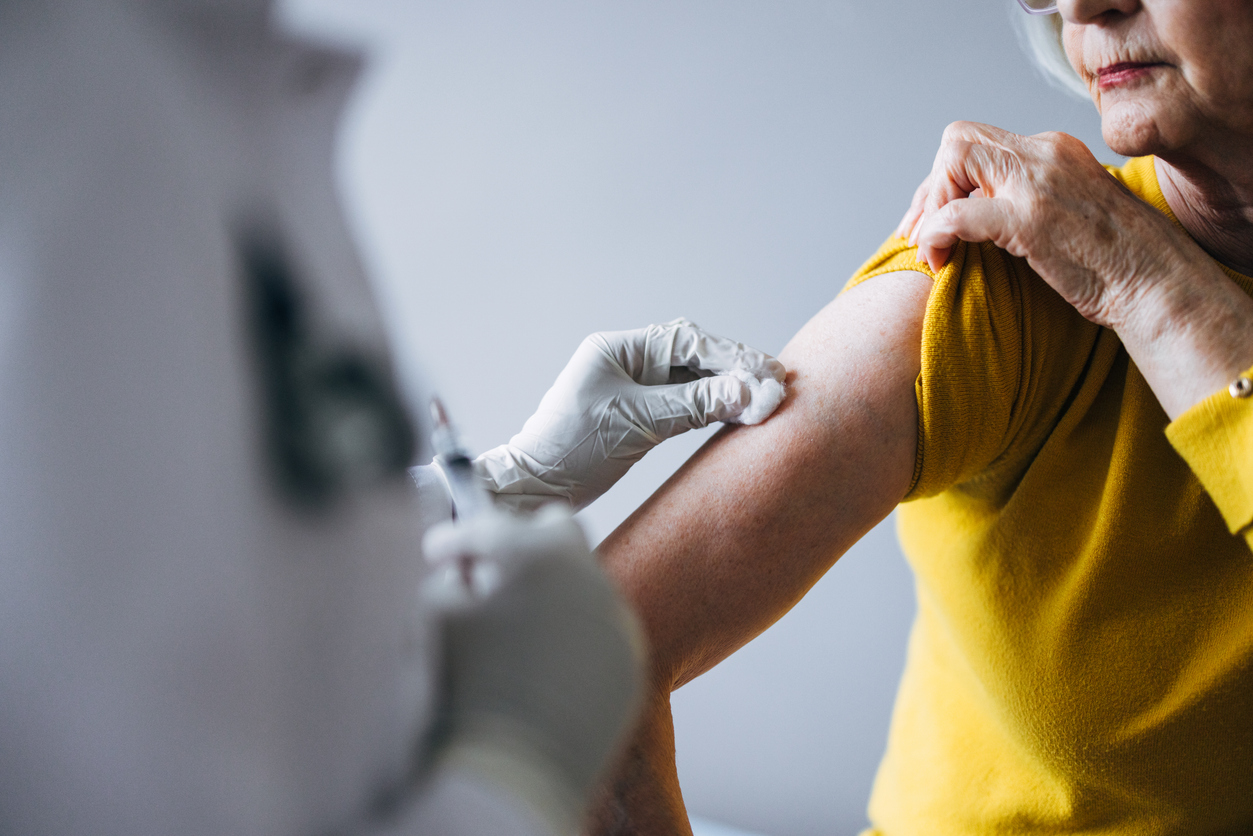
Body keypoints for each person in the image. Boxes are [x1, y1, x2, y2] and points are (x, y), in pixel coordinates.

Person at [0, 2, 785, 835]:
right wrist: (512, 769)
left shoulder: (183, 80)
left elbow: (190, 529)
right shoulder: (53, 127)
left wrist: (505, 479)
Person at [587, 0, 1253, 833]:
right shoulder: (1015, 281)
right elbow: (584, 664)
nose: (1083, 5)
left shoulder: (1100, 260)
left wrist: (1153, 289)